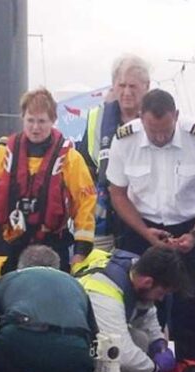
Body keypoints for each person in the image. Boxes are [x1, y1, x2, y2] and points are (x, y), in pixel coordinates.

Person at [106, 89, 195, 364]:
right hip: (141, 227)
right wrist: (144, 232)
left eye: (165, 131)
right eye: (152, 131)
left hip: (190, 226)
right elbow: (117, 193)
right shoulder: (125, 139)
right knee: (138, 308)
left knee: (191, 312)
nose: (159, 137)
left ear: (177, 117)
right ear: (140, 119)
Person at [0, 88, 97, 274]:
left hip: (51, 243)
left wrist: (81, 250)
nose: (35, 128)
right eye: (30, 120)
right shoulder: (1, 154)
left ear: (53, 120)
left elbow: (85, 202)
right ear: (23, 118)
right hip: (6, 243)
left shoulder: (70, 158)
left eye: (42, 121)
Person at [74, 246, 188, 372]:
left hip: (87, 338)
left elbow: (146, 313)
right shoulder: (106, 295)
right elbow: (122, 353)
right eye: (161, 293)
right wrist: (154, 368)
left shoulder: (136, 271)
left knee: (141, 338)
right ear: (148, 282)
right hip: (72, 347)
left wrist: (158, 343)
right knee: (123, 349)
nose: (161, 299)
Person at [78, 54, 152, 249]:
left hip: (145, 216)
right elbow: (85, 167)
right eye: (121, 85)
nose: (126, 92)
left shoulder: (157, 117)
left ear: (146, 86)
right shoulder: (97, 117)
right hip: (106, 216)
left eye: (133, 86)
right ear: (113, 86)